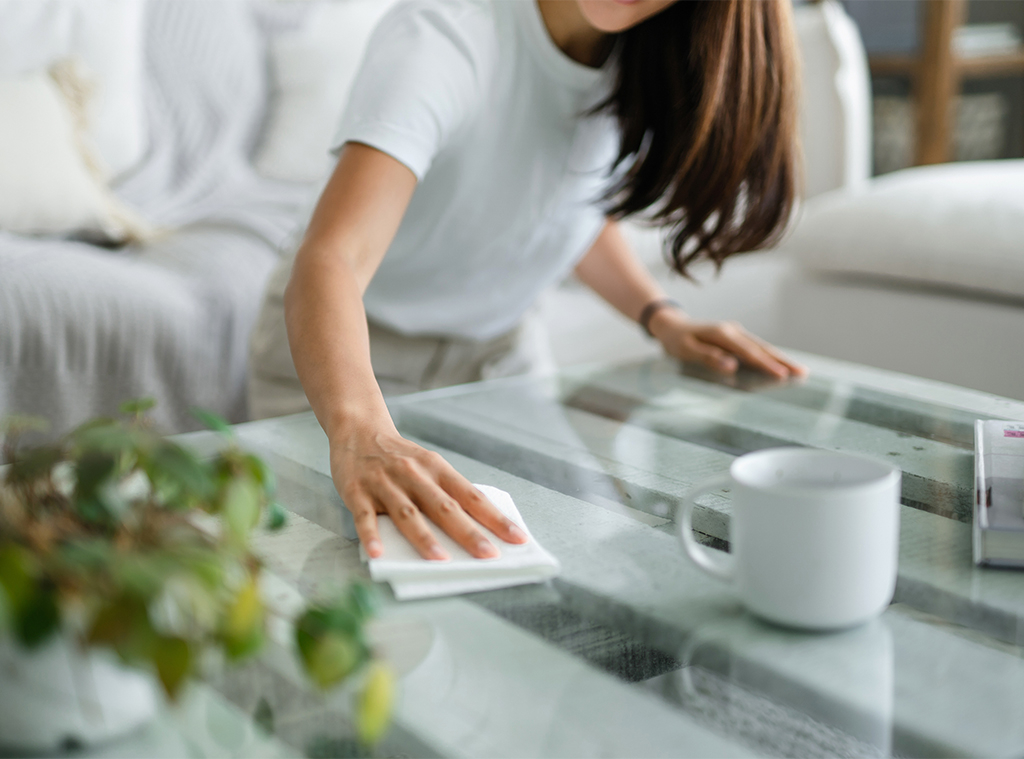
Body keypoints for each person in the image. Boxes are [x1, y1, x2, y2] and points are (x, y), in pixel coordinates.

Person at [249, 0, 807, 564]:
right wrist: (360, 432)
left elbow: (567, 209)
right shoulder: (446, 33)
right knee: (350, 575)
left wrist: (660, 316)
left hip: (498, 356)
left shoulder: (643, 55)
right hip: (349, 360)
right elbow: (331, 258)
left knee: (567, 554)